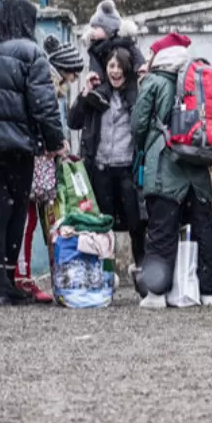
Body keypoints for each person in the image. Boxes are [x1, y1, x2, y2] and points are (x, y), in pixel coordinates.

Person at [0, 0, 66, 306]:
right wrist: (55, 142)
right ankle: (9, 280)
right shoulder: (31, 53)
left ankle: (0, 285)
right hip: (18, 143)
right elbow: (44, 104)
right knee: (17, 209)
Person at [131, 33, 212, 308]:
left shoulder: (155, 82)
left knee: (162, 230)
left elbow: (138, 125)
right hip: (197, 165)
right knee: (204, 227)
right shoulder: (198, 82)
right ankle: (208, 293)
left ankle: (157, 294)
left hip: (164, 167)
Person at [14, 35, 86, 303]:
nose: (72, 81)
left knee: (31, 220)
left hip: (35, 157)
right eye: (72, 74)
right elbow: (46, 119)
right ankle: (22, 276)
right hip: (37, 160)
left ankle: (21, 274)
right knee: (29, 220)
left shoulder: (43, 82)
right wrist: (57, 144)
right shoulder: (47, 86)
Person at [68, 44, 146, 285]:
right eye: (111, 66)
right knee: (103, 224)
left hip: (126, 168)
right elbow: (73, 121)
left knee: (136, 224)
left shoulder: (135, 95)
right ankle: (105, 274)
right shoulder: (97, 95)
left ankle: (142, 271)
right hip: (100, 169)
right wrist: (84, 93)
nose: (115, 71)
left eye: (120, 67)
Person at [83, 0, 145, 85]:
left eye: (96, 28)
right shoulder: (95, 48)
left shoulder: (124, 41)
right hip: (106, 81)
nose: (92, 31)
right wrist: (95, 74)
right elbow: (95, 64)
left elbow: (136, 54)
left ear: (107, 29)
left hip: (127, 79)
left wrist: (140, 67)